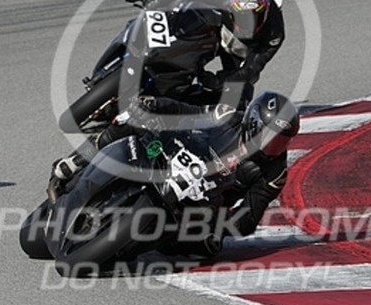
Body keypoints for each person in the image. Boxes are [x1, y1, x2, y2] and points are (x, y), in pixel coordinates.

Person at [49, 90, 300, 256]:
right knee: (131, 121)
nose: (272, 147)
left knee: (207, 246)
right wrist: (155, 105)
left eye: (281, 141)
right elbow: (186, 111)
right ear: (252, 122)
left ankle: (129, 247)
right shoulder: (227, 116)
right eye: (268, 136)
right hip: (175, 156)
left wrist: (221, 226)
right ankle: (77, 161)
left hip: (204, 202)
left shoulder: (274, 173)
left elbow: (249, 217)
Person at [131, 0, 286, 106]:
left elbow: (250, 70)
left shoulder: (274, 34)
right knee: (184, 50)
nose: (247, 23)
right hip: (218, 31)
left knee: (239, 101)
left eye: (254, 17)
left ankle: (191, 110)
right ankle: (167, 74)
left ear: (266, 12)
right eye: (241, 15)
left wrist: (218, 81)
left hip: (242, 50)